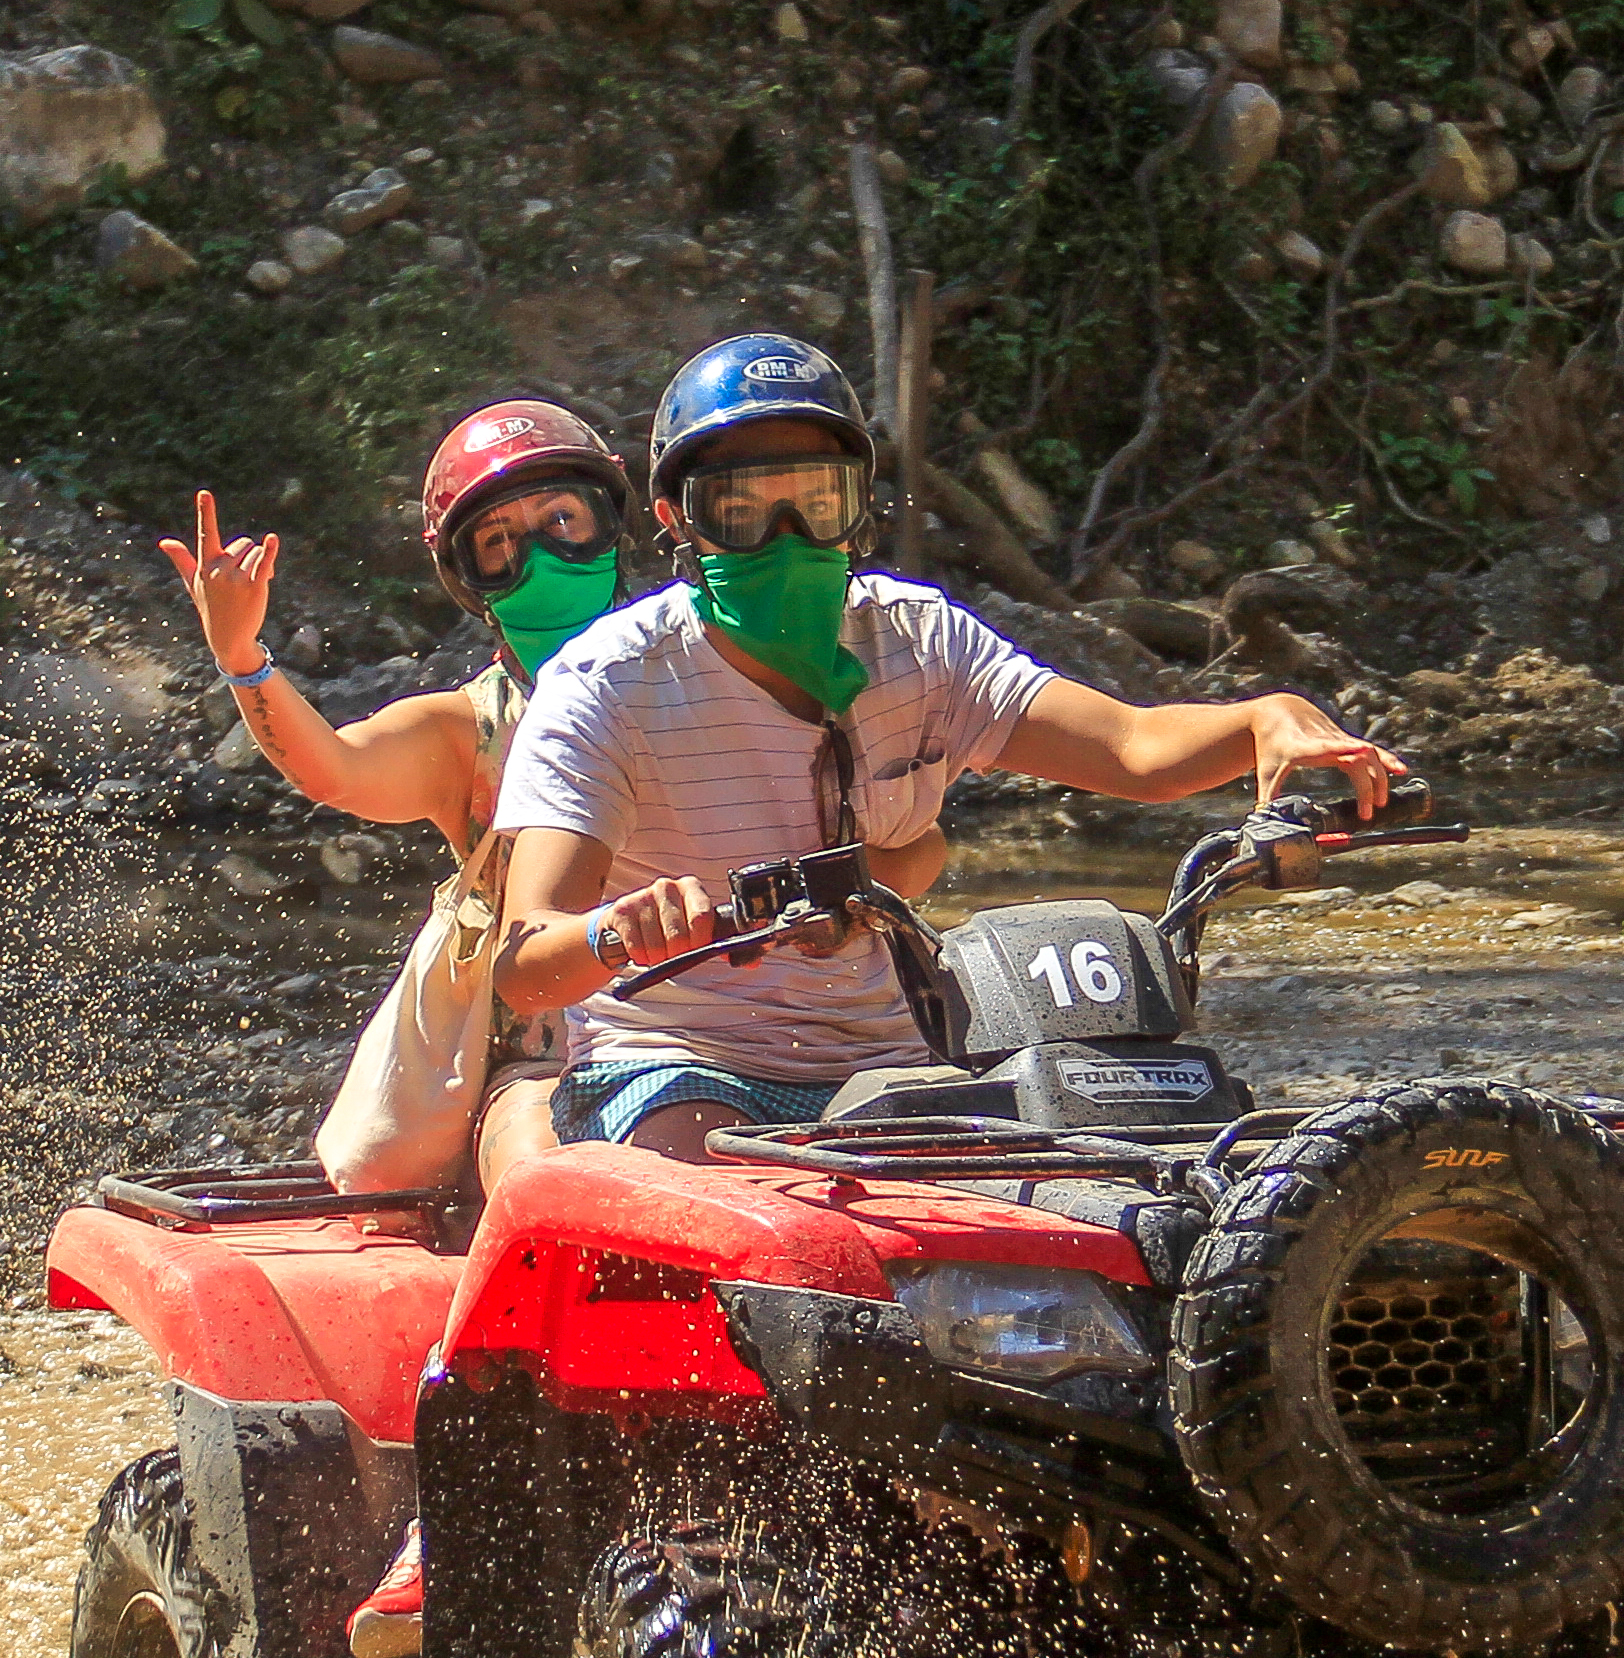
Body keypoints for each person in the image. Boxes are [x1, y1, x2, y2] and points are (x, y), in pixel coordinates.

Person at [488, 334, 1402, 1160]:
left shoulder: (920, 642)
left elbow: (1130, 745)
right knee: (719, 1207)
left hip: (907, 1054)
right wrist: (620, 930)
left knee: (1124, 1179)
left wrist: (1260, 719)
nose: (787, 537)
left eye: (815, 500)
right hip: (681, 1063)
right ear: (678, 519)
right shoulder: (607, 682)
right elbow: (528, 961)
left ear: (858, 509)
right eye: (742, 508)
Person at [160, 395, 642, 1199]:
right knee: (541, 1156)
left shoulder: (708, 677)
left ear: (610, 523)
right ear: (470, 579)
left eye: (562, 521)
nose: (542, 559)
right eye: (500, 543)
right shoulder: (465, 732)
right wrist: (242, 657)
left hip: (732, 1033)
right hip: (548, 1064)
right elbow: (335, 770)